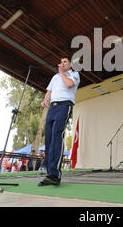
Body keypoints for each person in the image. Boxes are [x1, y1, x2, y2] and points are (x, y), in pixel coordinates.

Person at [39, 57, 80, 186]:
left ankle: (55, 175)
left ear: (71, 64)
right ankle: (49, 173)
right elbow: (49, 91)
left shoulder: (74, 74)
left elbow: (69, 84)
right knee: (49, 139)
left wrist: (62, 72)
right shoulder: (55, 77)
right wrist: (46, 100)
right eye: (61, 62)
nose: (62, 64)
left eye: (65, 62)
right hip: (53, 106)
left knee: (57, 135)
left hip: (64, 105)